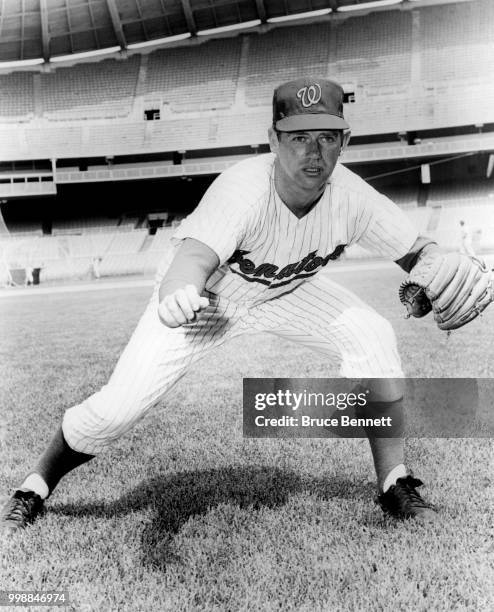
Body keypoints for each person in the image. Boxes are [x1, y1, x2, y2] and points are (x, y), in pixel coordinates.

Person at [1, 77, 437, 534]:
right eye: (300, 137)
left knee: (374, 337)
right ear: (273, 139)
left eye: (327, 137)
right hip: (209, 299)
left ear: (344, 141)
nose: (314, 152)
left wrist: (441, 269)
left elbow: (417, 250)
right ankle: (34, 486)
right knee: (116, 409)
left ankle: (394, 482)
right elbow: (192, 259)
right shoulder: (242, 189)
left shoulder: (355, 198)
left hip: (288, 291)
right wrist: (178, 294)